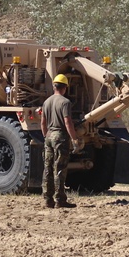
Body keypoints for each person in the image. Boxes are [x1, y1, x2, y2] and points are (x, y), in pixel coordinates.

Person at [40, 73, 80, 209]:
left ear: (54, 86)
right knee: (60, 168)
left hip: (49, 137)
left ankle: (47, 199)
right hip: (60, 137)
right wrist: (74, 139)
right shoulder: (65, 102)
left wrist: (46, 136)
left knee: (48, 168)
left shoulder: (46, 102)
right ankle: (60, 200)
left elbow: (42, 123)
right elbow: (68, 122)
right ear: (65, 88)